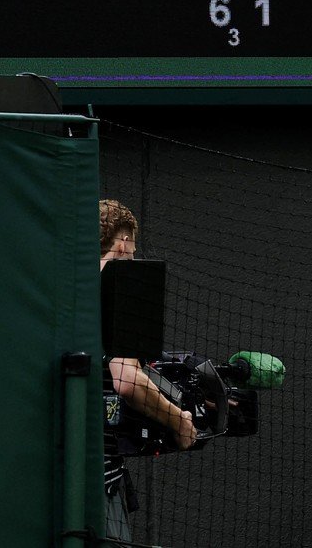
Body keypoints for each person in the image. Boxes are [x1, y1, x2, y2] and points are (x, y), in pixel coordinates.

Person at [99, 199, 197, 542]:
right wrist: (179, 420)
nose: (134, 255)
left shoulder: (64, 287)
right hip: (98, 476)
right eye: (133, 246)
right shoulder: (126, 285)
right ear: (123, 241)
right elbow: (126, 381)